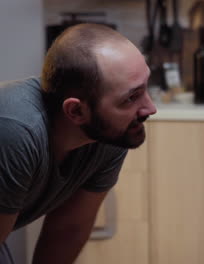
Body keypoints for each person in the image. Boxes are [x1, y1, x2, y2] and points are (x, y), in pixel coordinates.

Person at [0, 23, 156, 263]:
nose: (150, 108)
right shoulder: (16, 131)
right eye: (131, 97)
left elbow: (68, 230)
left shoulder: (110, 133)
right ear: (75, 111)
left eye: (146, 88)